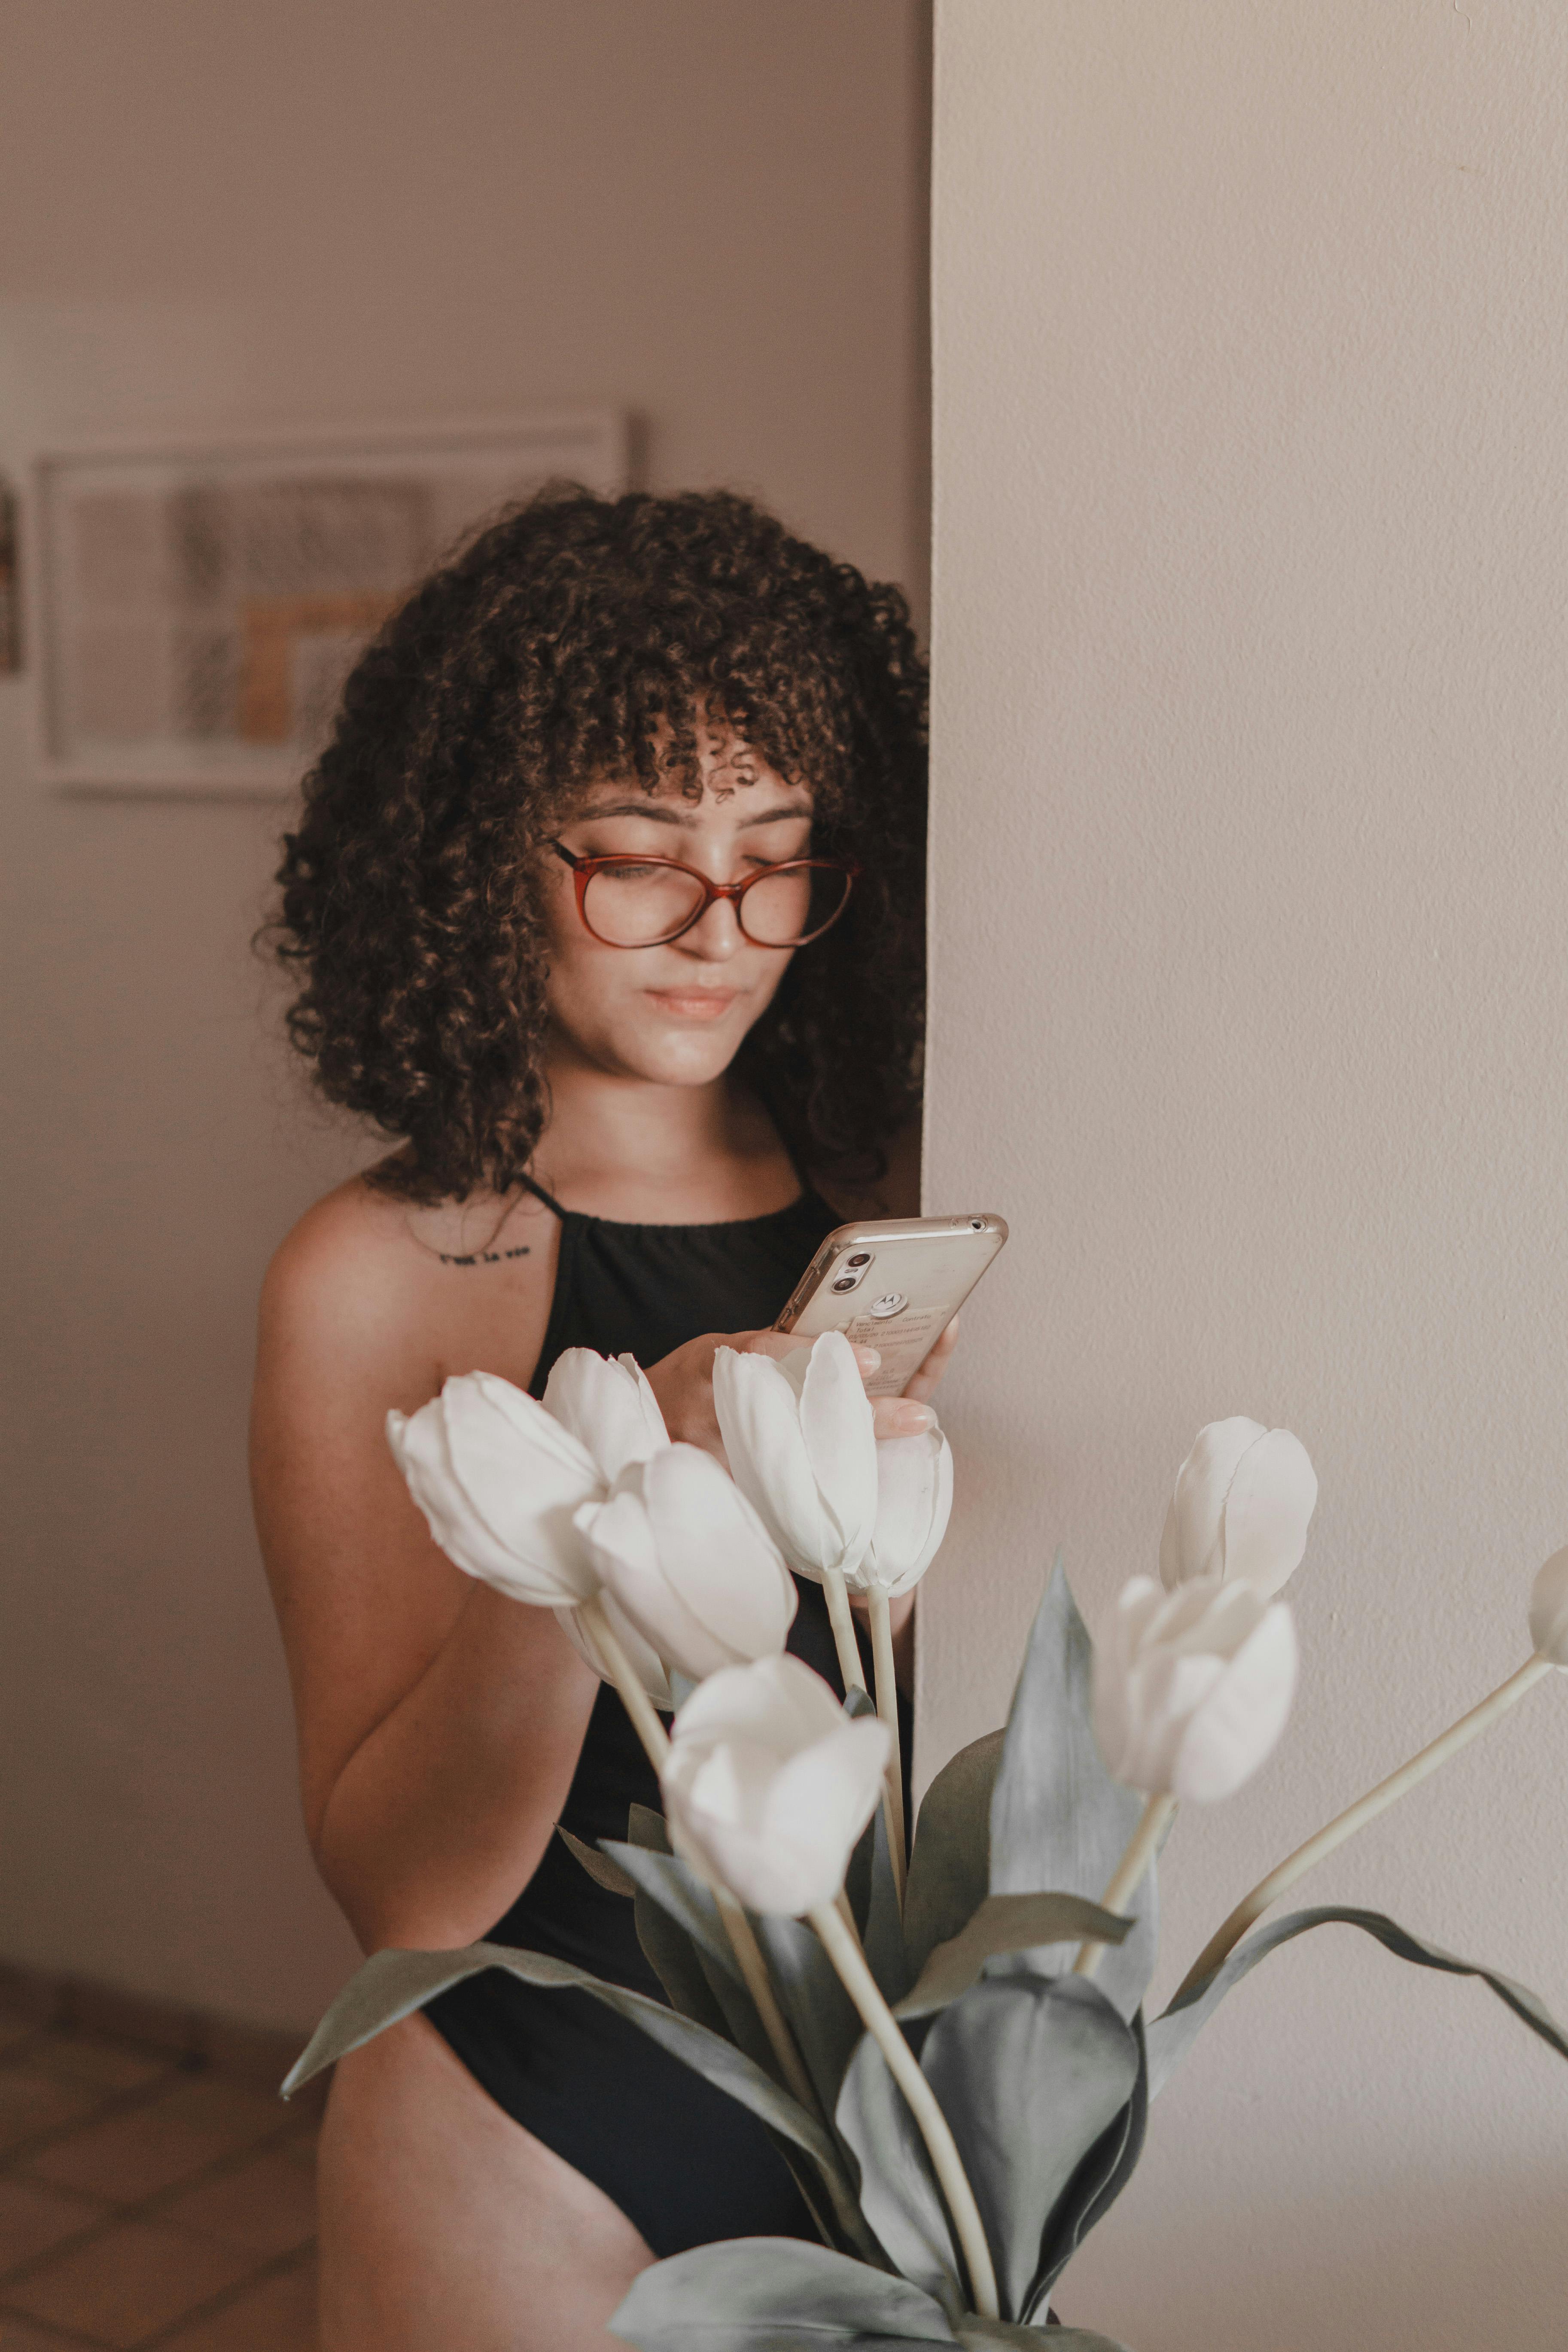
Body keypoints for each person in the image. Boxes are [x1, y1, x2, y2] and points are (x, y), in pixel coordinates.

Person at [250, 485, 948, 2352]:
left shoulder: (890, 1191)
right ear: (484, 856)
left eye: (781, 853)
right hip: (532, 2115)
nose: (719, 926)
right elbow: (402, 1890)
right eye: (639, 856)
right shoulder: (385, 1268)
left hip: (894, 2103)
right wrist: (611, 1486)